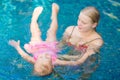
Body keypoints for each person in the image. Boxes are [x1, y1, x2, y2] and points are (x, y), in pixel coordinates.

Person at [9, 3, 60, 76]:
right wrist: (82, 57)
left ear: (35, 62)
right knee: (52, 31)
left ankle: (34, 19)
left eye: (41, 57)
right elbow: (75, 62)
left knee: (35, 31)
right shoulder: (56, 62)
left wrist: (17, 46)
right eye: (47, 57)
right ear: (53, 65)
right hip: (51, 46)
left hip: (36, 46)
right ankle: (54, 15)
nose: (44, 54)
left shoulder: (33, 60)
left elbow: (25, 55)